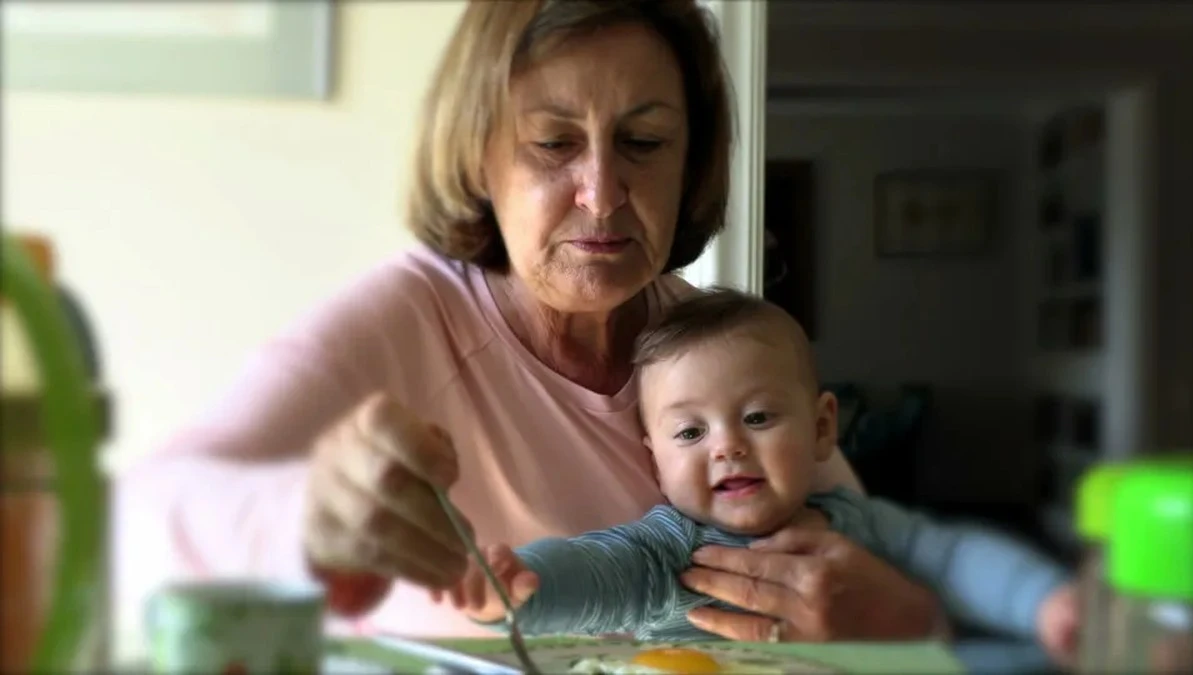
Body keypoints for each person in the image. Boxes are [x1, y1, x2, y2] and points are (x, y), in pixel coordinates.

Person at [116, 0, 943, 642]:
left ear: (692, 164)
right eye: (552, 143)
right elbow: (138, 519)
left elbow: (878, 570)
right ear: (479, 153)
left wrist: (895, 614)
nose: (602, 192)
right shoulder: (412, 315)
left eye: (645, 142)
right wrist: (304, 512)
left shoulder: (721, 345)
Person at [432, 289, 1081, 663]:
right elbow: (599, 570)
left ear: (823, 427)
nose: (728, 447)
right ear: (653, 455)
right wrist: (521, 586)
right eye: (691, 432)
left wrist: (1046, 601)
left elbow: (957, 555)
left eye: (759, 416)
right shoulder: (669, 551)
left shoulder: (858, 524)